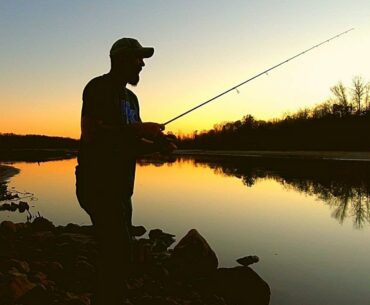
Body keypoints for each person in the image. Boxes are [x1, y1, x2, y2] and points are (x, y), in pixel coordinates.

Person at [75, 37, 175, 305]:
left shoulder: (132, 98)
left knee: (118, 251)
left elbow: (131, 145)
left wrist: (158, 145)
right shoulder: (97, 87)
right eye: (137, 58)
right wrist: (140, 130)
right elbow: (91, 132)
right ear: (120, 59)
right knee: (117, 251)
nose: (142, 64)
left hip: (122, 188)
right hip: (96, 184)